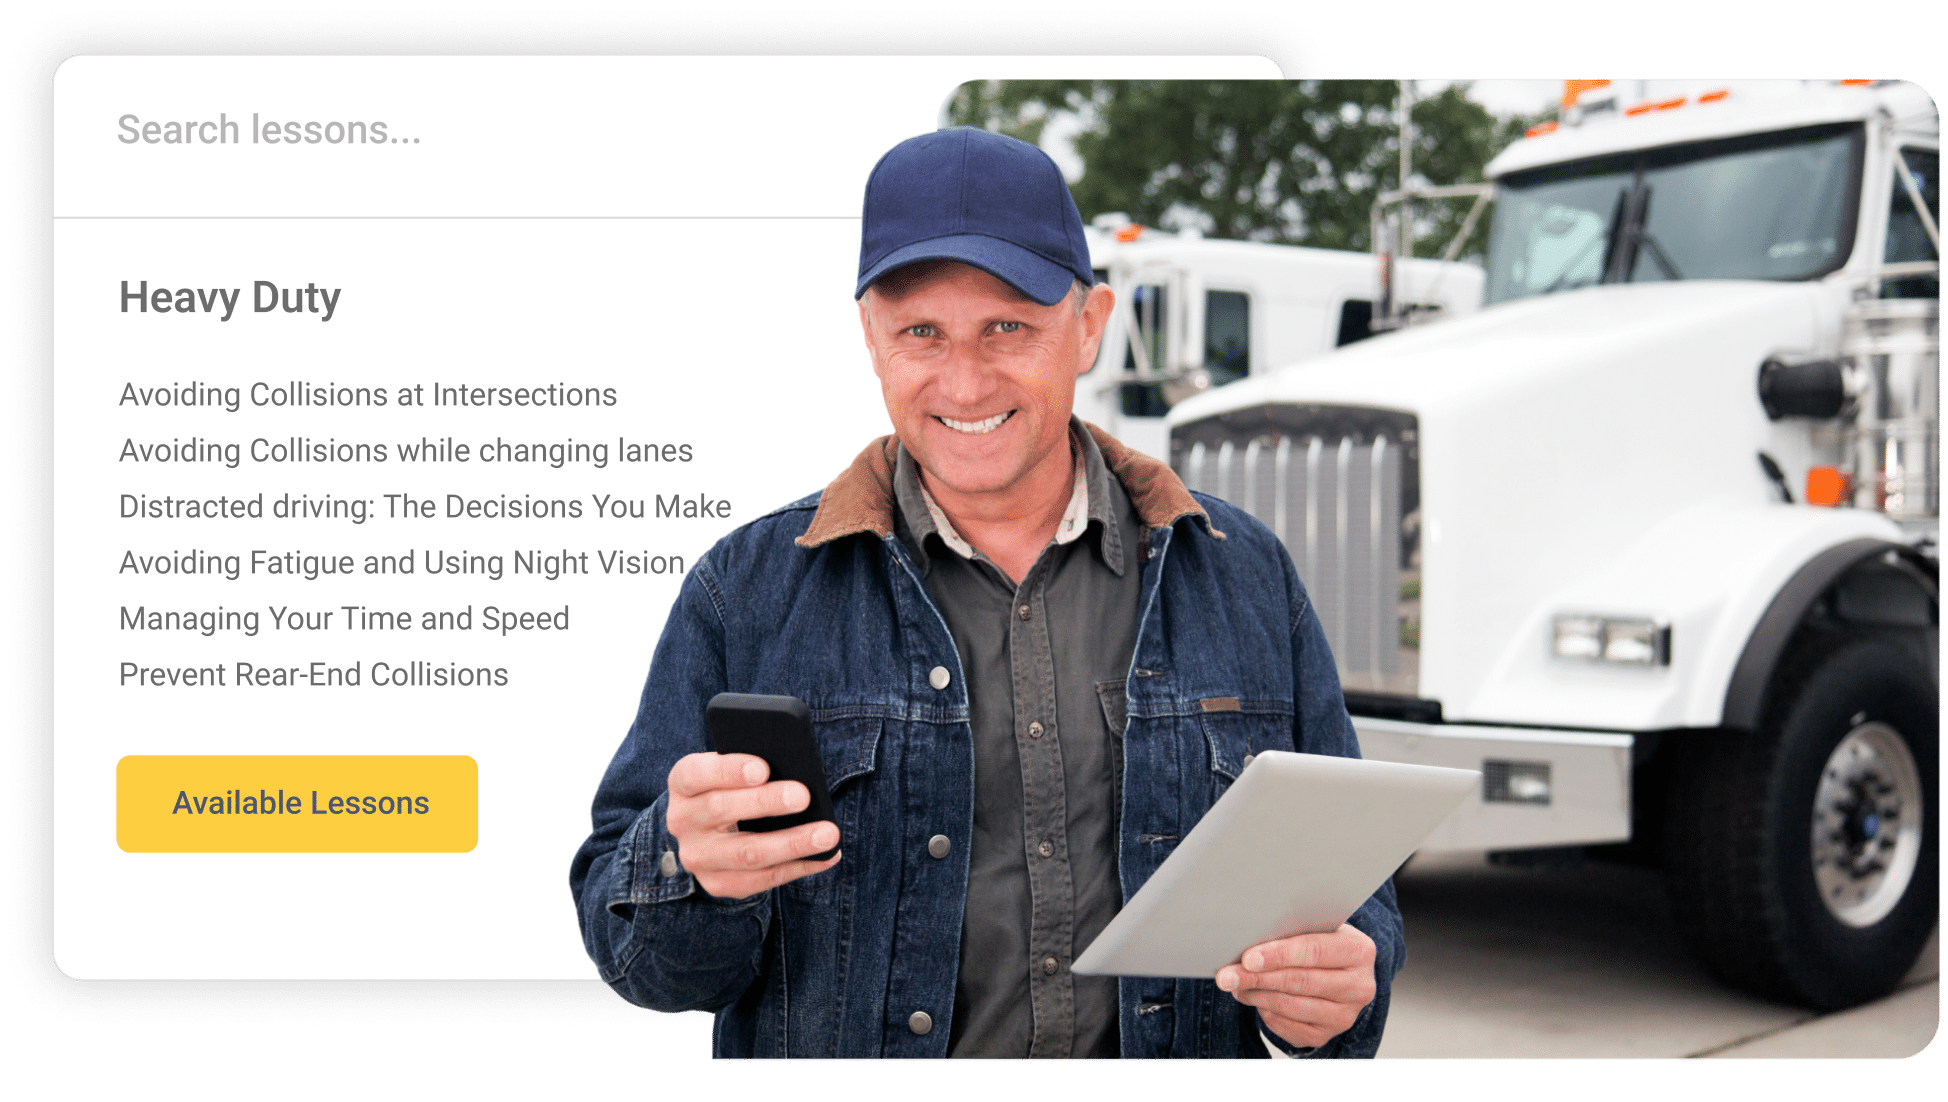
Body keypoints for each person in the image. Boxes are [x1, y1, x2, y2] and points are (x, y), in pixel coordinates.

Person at [570, 127, 1403, 1059]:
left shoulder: (1243, 575)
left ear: (1088, 325)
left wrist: (1329, 1001)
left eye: (1008, 326)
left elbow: (1353, 900)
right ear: (872, 341)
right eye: (921, 332)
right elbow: (641, 959)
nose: (965, 380)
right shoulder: (748, 591)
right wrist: (691, 873)